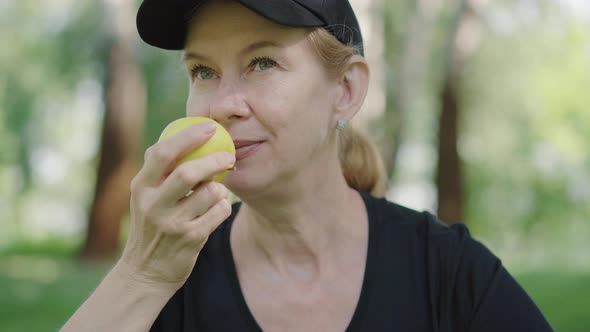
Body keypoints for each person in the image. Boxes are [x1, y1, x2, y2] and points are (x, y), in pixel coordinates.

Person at [61, 0, 554, 331]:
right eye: (203, 71)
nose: (223, 104)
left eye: (263, 62)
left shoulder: (450, 275)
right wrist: (141, 276)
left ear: (345, 91)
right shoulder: (171, 279)